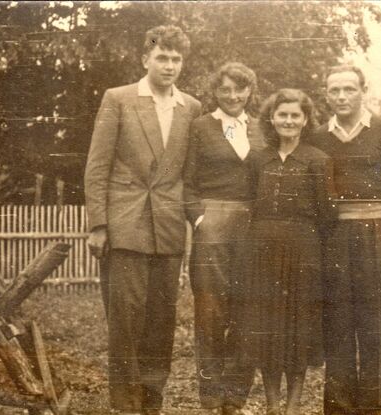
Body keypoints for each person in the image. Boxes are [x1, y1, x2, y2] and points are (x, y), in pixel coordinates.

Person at [84, 25, 201, 415]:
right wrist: (99, 224)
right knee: (126, 318)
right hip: (125, 225)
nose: (169, 65)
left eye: (176, 59)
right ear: (145, 59)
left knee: (161, 319)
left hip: (168, 227)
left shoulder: (192, 108)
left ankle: (152, 399)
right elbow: (97, 165)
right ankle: (125, 403)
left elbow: (191, 173)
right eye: (162, 57)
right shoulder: (118, 99)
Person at [308, 65, 381, 415]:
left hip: (379, 236)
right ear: (326, 94)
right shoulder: (316, 138)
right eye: (334, 90)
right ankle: (338, 408)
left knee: (377, 326)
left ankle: (374, 408)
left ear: (362, 90)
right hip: (334, 238)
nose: (341, 97)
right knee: (337, 323)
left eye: (349, 89)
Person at [238, 89, 336, 415]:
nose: (289, 121)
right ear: (272, 118)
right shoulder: (257, 159)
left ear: (305, 120)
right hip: (262, 252)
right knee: (267, 328)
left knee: (298, 329)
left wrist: (308, 248)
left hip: (303, 254)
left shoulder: (317, 160)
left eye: (295, 115)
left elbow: (327, 215)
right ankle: (272, 405)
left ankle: (293, 405)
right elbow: (249, 204)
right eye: (283, 114)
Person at [183, 62, 265, 415]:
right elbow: (186, 182)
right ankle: (210, 396)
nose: (233, 96)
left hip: (253, 226)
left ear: (250, 91)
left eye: (240, 89)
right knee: (211, 311)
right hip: (213, 225)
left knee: (250, 310)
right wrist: (201, 218)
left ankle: (235, 398)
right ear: (215, 93)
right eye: (225, 90)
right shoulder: (200, 127)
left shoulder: (263, 128)